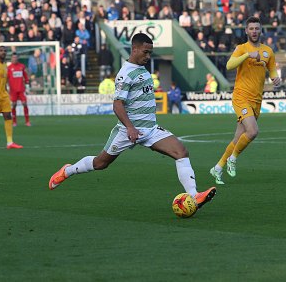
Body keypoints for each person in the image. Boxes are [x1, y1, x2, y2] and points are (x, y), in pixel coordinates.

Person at [48, 33, 216, 212]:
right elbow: (117, 105)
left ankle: (194, 195)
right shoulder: (125, 74)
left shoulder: (143, 69)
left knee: (181, 152)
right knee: (100, 163)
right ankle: (68, 171)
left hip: (150, 129)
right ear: (134, 49)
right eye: (145, 52)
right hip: (128, 131)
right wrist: (130, 127)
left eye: (150, 53)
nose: (148, 56)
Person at [209, 17, 280, 185]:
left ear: (260, 31)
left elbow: (272, 69)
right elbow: (229, 65)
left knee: (238, 138)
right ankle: (233, 159)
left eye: (257, 28)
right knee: (253, 131)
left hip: (257, 100)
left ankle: (217, 168)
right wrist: (248, 55)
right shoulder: (241, 49)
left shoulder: (268, 51)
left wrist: (276, 78)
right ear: (246, 31)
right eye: (251, 28)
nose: (254, 31)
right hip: (241, 97)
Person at [7, 53, 31, 127]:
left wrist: (27, 85)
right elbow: (6, 78)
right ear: (11, 59)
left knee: (24, 103)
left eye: (16, 57)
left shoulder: (22, 66)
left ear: (17, 58)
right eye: (13, 57)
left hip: (21, 89)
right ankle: (14, 122)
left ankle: (27, 121)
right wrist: (7, 87)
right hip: (13, 90)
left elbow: (25, 76)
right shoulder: (9, 68)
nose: (14, 59)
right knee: (13, 105)